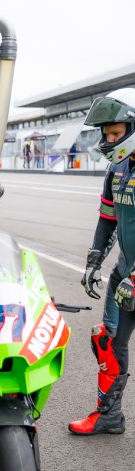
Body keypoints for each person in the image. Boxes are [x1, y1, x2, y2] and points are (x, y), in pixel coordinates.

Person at [69, 88, 135, 435]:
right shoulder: (117, 168)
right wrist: (94, 262)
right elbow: (108, 219)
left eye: (116, 133)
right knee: (108, 342)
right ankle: (110, 416)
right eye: (106, 134)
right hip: (124, 273)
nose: (110, 140)